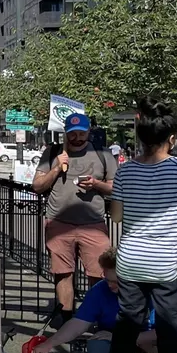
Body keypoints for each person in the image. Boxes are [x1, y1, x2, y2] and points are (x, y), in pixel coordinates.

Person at [103, 98, 177, 353]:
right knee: (171, 331)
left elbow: (119, 216)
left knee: (127, 325)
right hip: (169, 264)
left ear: (139, 137)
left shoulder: (126, 171)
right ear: (171, 139)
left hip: (131, 260)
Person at [32, 112, 116, 325]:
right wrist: (56, 168)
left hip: (93, 224)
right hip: (58, 223)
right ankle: (67, 317)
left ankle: (96, 319)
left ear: (88, 131)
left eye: (81, 133)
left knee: (99, 274)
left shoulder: (102, 154)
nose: (77, 137)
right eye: (72, 133)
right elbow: (37, 186)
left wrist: (96, 184)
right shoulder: (52, 153)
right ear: (65, 134)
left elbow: (115, 188)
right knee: (63, 273)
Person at [32, 248, 155, 353]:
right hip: (114, 342)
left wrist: (121, 338)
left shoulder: (153, 292)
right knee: (96, 347)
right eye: (107, 279)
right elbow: (78, 323)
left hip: (146, 342)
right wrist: (49, 343)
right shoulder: (101, 290)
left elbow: (166, 332)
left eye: (116, 282)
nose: (110, 285)